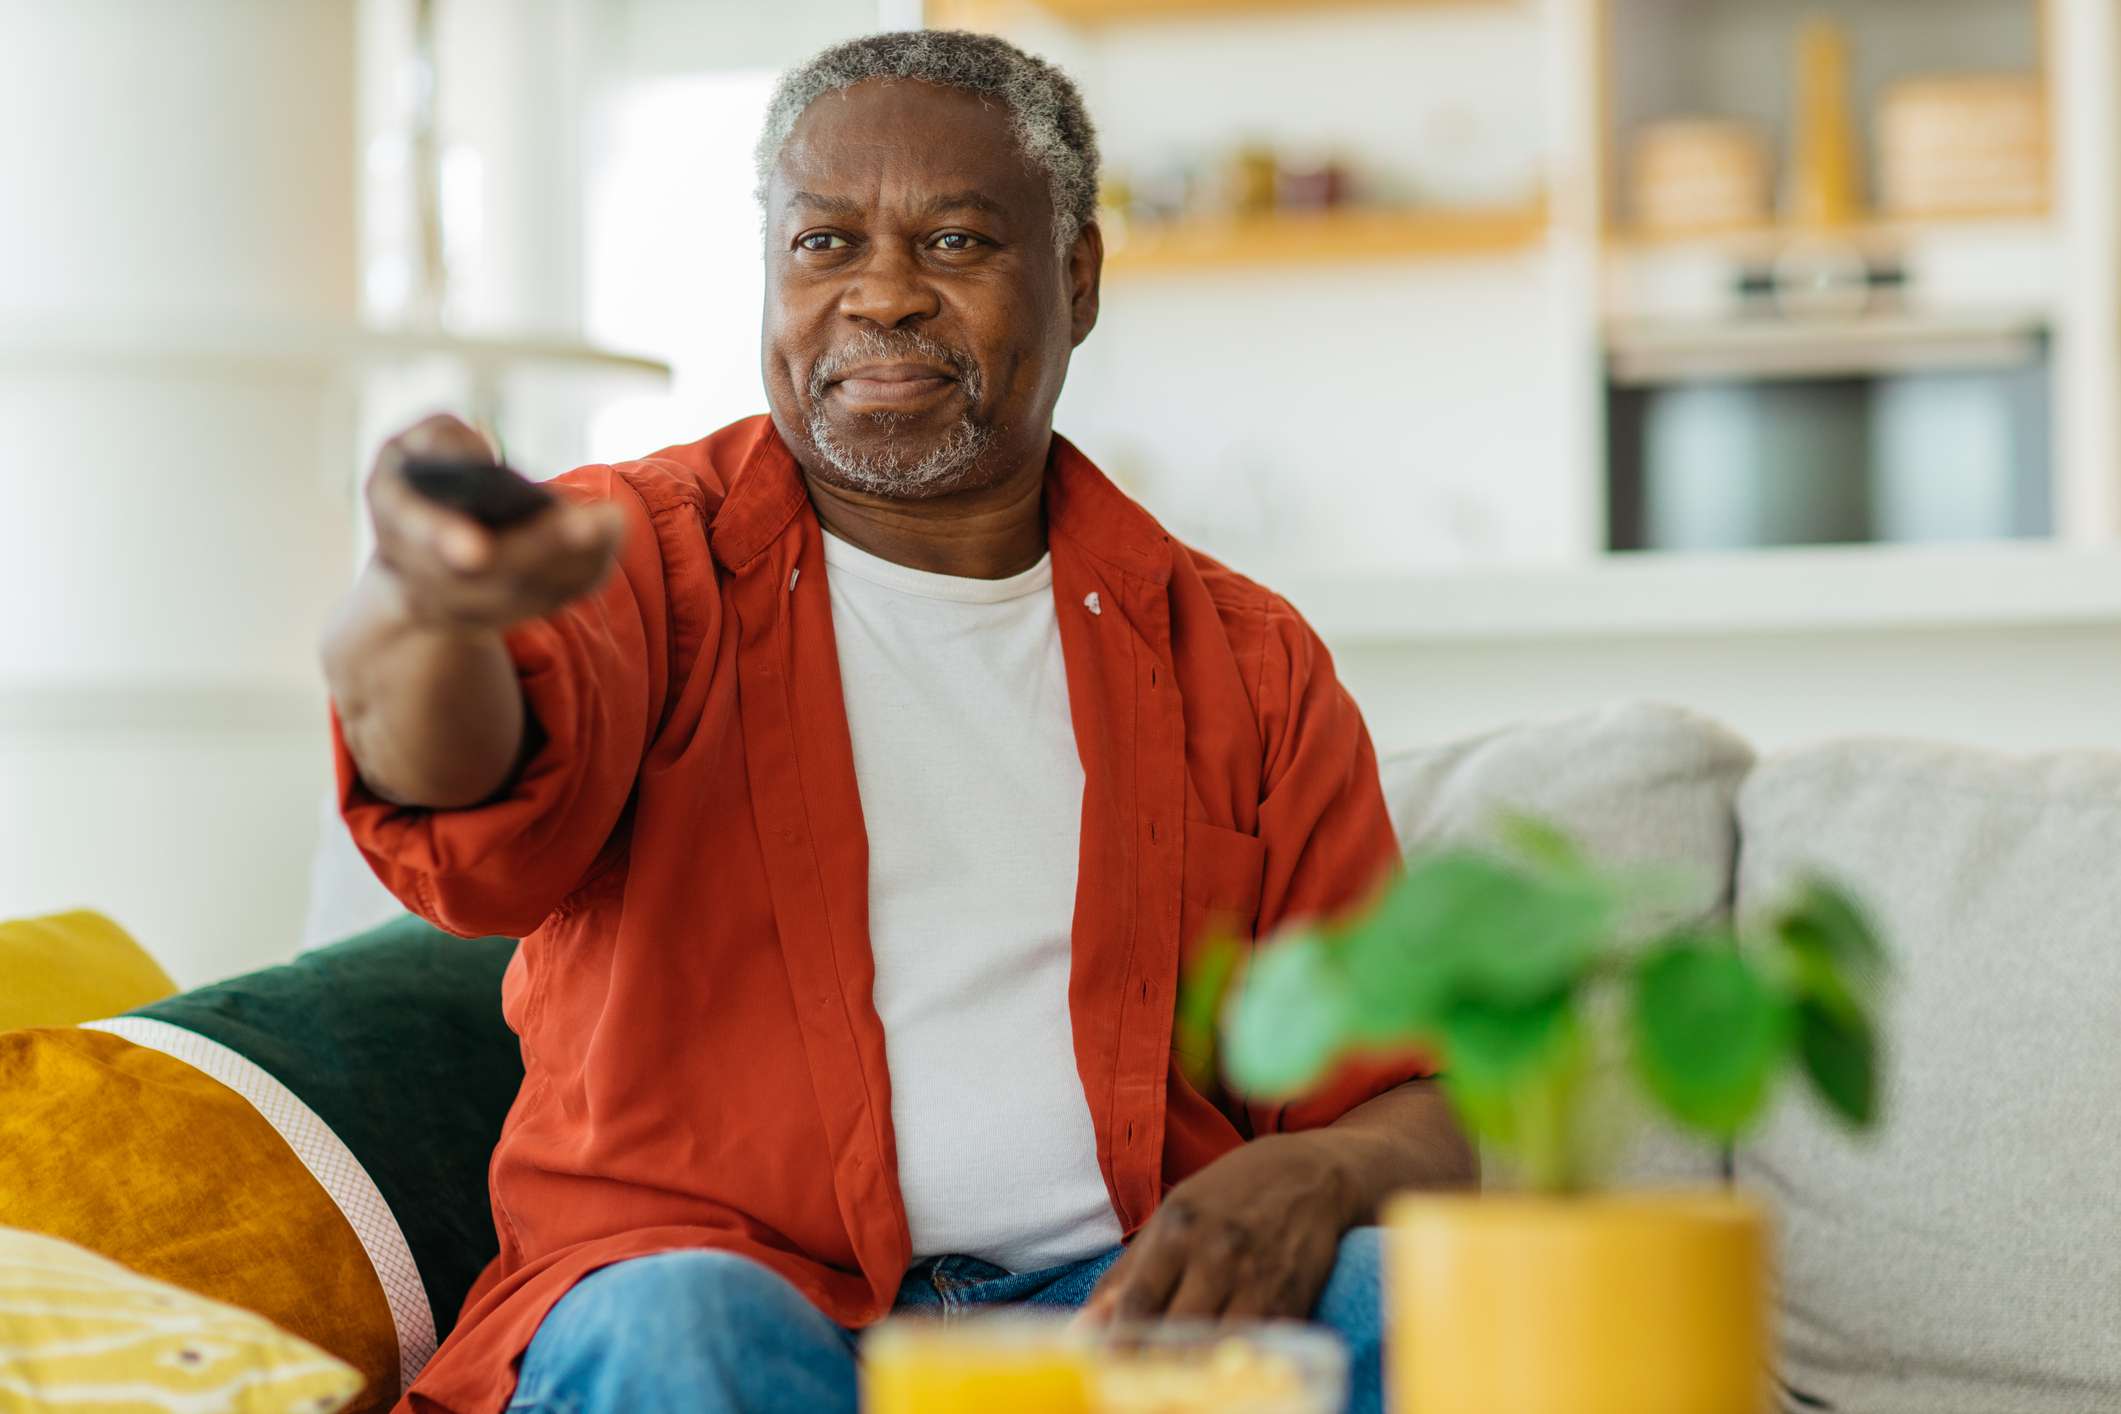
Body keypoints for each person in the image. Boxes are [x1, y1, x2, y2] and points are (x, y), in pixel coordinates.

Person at [324, 29, 1474, 1414]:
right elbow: (457, 798)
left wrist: (1324, 1170)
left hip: (1112, 1315)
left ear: (1079, 277)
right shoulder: (635, 553)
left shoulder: (1243, 658)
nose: (882, 298)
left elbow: (1411, 1096)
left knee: (1420, 1303)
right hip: (722, 1292)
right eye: (823, 245)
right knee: (682, 1326)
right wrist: (426, 605)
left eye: (952, 242)